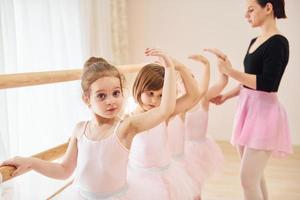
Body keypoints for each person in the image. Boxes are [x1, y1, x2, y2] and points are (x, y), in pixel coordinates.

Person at [0, 48, 177, 199]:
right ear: (87, 99)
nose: (111, 101)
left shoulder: (125, 127)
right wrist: (30, 162)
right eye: (101, 95)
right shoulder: (79, 129)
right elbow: (63, 170)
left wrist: (169, 68)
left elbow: (165, 110)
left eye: (116, 93)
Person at [206, 0, 293, 199]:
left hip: (264, 115)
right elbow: (249, 80)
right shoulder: (254, 41)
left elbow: (267, 83)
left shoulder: (279, 42)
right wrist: (227, 96)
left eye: (251, 10)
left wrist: (230, 71)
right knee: (255, 177)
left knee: (247, 179)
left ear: (268, 8)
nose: (246, 15)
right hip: (246, 111)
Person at [127, 51, 204, 199]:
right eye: (150, 93)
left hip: (165, 176)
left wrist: (180, 68)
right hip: (139, 178)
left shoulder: (163, 114)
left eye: (161, 96)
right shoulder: (129, 119)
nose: (154, 101)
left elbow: (194, 96)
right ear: (139, 87)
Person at [166, 54, 210, 200]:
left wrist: (206, 65)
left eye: (190, 79)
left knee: (192, 191)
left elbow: (201, 91)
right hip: (167, 162)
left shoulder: (182, 108)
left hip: (180, 160)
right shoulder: (167, 108)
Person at [184, 55, 227, 198]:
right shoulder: (177, 103)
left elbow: (222, 83)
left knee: (196, 188)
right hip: (182, 150)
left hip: (200, 150)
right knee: (186, 186)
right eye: (185, 79)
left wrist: (222, 68)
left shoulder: (204, 98)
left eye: (192, 77)